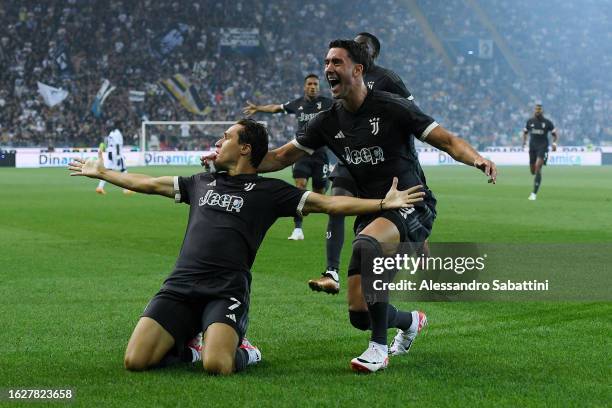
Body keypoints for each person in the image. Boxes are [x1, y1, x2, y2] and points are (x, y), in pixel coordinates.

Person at [68, 118, 425, 375]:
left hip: (226, 290)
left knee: (218, 365)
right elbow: (148, 183)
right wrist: (102, 173)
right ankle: (190, 345)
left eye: (225, 137)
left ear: (245, 148)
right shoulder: (200, 182)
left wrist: (381, 204)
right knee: (135, 361)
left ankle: (246, 352)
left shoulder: (270, 192)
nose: (217, 143)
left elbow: (328, 204)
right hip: (180, 286)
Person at [254, 40, 497, 373]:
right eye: (326, 62)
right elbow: (280, 157)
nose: (328, 69)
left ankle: (378, 350)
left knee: (367, 245)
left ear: (358, 70)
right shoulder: (327, 121)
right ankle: (410, 321)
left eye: (336, 62)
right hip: (373, 209)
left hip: (411, 201)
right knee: (359, 313)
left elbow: (448, 141)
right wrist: (231, 162)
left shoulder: (394, 107)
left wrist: (478, 159)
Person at [309, 32, 418, 295]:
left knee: (387, 219)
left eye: (363, 46)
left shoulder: (387, 79)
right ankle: (331, 272)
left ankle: (412, 242)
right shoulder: (345, 75)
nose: (358, 47)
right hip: (350, 155)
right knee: (336, 205)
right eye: (355, 44)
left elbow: (411, 117)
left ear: (373, 54)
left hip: (382, 159)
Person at [243, 74, 333, 240]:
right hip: (300, 152)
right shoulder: (297, 104)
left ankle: (322, 185)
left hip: (320, 153)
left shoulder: (328, 103)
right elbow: (276, 108)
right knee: (300, 187)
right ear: (304, 87)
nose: (312, 86)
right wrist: (258, 108)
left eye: (315, 84)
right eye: (309, 84)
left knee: (319, 191)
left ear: (319, 87)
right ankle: (298, 229)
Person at [522, 104, 558, 200]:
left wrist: (554, 144)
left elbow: (554, 134)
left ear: (542, 111)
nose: (538, 112)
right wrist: (524, 142)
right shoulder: (530, 122)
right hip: (532, 148)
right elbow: (525, 133)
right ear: (534, 111)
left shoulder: (547, 123)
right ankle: (543, 162)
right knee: (533, 171)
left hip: (543, 147)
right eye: (536, 110)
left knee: (538, 168)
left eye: (539, 110)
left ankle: (534, 194)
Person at [96, 121, 133, 195]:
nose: (123, 126)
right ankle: (126, 189)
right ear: (119, 126)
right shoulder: (117, 133)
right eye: (121, 125)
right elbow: (117, 145)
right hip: (115, 153)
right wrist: (119, 156)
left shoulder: (111, 133)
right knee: (123, 170)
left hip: (110, 152)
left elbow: (107, 142)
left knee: (106, 171)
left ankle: (100, 187)